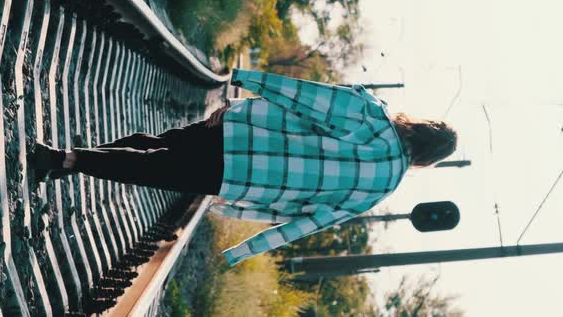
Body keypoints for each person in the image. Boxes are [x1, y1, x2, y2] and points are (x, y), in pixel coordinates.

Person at [28, 68, 457, 266]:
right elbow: (309, 220)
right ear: (425, 161)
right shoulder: (381, 190)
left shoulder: (373, 113)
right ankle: (69, 160)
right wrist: (249, 241)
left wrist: (248, 86)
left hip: (239, 133)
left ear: (418, 125)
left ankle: (70, 159)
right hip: (243, 177)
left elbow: (305, 98)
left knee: (159, 146)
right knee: (155, 167)